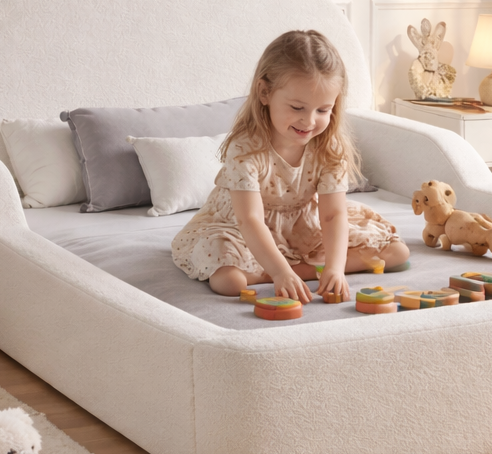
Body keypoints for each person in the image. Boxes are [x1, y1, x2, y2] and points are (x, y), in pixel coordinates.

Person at [172, 30, 409, 302]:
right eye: (297, 108)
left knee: (397, 253)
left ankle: (297, 270)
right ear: (265, 92)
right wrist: (280, 273)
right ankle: (289, 270)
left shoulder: (328, 147)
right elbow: (250, 219)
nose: (309, 121)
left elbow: (332, 215)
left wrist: (335, 269)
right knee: (229, 281)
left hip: (302, 225)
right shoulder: (246, 149)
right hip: (243, 228)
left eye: (323, 110)